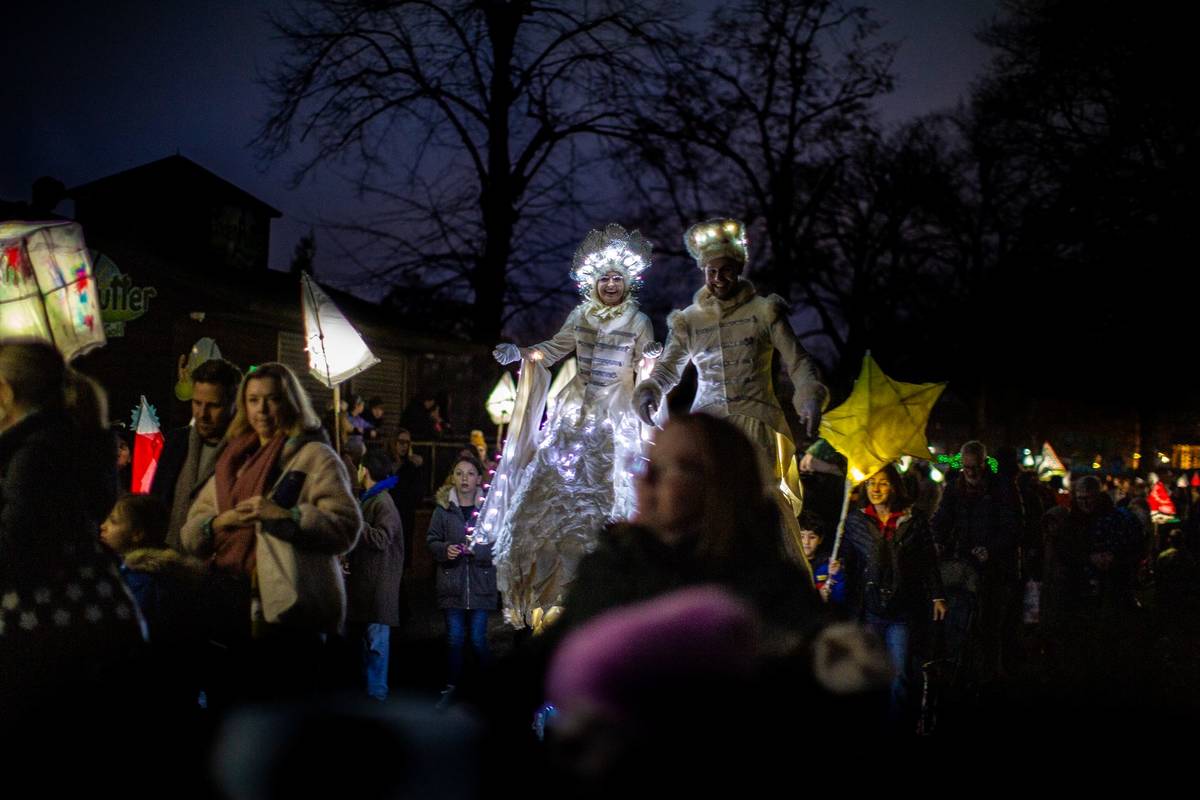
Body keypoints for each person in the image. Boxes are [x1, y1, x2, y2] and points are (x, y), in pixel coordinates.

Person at [484, 223, 658, 627]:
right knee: (551, 492)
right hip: (576, 410)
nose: (611, 284)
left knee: (609, 492)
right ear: (592, 281)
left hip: (616, 412)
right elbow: (554, 348)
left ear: (628, 282)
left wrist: (650, 358)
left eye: (618, 278)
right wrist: (522, 353)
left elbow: (648, 370)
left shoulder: (638, 320)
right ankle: (547, 590)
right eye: (604, 277)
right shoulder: (580, 315)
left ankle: (607, 585)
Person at [634, 218, 825, 563]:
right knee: (709, 506)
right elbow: (669, 367)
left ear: (737, 269)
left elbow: (797, 361)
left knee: (762, 504)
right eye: (711, 271)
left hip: (758, 422)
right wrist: (650, 388)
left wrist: (809, 394)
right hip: (711, 426)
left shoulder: (764, 311)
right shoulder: (689, 320)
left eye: (725, 271)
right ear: (703, 271)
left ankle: (773, 587)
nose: (718, 279)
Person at [181, 362, 362, 705]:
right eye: (253, 400)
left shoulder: (314, 457)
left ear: (290, 402)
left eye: (272, 399)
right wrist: (224, 520)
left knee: (281, 714)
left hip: (288, 614)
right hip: (228, 606)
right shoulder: (233, 461)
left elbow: (346, 526)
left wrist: (288, 516)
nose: (261, 409)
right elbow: (191, 534)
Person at [0, 340, 145, 728]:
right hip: (96, 620)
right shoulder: (75, 445)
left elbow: (14, 551)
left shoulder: (34, 456)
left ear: (4, 392)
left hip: (39, 646)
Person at [842, 463, 946, 725]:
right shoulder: (856, 520)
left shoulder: (913, 519)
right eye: (871, 483)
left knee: (899, 675)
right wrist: (835, 571)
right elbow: (850, 562)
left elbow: (927, 560)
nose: (876, 488)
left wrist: (937, 596)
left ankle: (895, 727)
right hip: (870, 608)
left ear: (894, 486)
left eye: (883, 483)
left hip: (902, 609)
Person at [426, 454, 496, 706]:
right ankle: (452, 687)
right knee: (454, 638)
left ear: (479, 478)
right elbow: (431, 540)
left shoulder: (489, 509)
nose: (464, 478)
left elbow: (499, 542)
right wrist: (445, 549)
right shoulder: (443, 509)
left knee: (477, 639)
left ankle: (489, 686)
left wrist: (481, 551)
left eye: (469, 473)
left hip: (481, 582)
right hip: (452, 583)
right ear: (452, 477)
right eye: (459, 473)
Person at [152, 357, 242, 550]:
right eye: (197, 403)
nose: (202, 413)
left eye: (213, 405)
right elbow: (156, 500)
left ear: (234, 404)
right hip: (167, 557)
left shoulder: (243, 451)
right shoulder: (177, 442)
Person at [344, 450, 405, 701]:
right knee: (368, 643)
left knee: (377, 643)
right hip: (368, 583)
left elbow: (381, 538)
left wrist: (358, 524)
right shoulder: (370, 499)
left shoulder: (382, 502)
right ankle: (369, 690)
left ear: (365, 471)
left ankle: (377, 692)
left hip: (379, 585)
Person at [388, 428, 425, 570]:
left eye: (407, 443)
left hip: (404, 513)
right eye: (401, 442)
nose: (404, 446)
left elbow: (417, 492)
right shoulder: (386, 464)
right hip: (388, 511)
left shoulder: (411, 467)